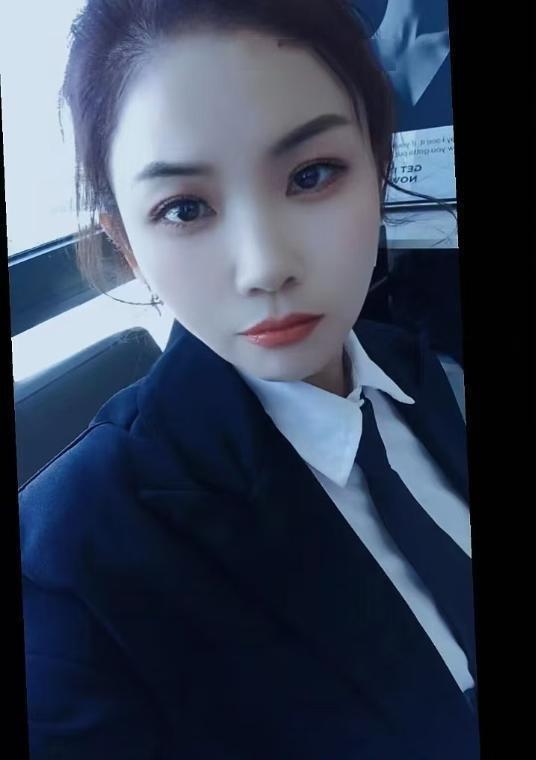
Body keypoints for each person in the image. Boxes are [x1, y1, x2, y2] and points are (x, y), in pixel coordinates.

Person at [18, 1, 479, 757]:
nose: (265, 267)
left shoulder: (414, 369)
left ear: (379, 164)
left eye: (312, 174)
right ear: (126, 243)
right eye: (185, 208)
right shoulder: (71, 570)